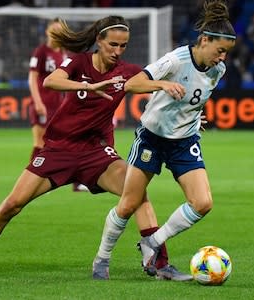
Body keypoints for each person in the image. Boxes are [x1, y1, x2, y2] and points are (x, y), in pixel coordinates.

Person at [0, 15, 190, 281]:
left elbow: (144, 85)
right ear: (98, 41)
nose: (117, 51)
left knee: (137, 193)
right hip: (58, 150)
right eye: (112, 44)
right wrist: (87, 86)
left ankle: (160, 265)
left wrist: (173, 96)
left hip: (96, 153)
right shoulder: (79, 62)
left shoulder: (126, 72)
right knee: (11, 205)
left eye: (123, 46)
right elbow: (51, 81)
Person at [92, 0, 236, 280]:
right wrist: (162, 83)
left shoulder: (218, 71)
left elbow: (194, 98)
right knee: (128, 204)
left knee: (203, 203)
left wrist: (195, 117)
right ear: (204, 40)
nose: (222, 58)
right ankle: (101, 259)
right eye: (220, 51)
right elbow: (132, 84)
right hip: (152, 139)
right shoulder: (176, 60)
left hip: (184, 141)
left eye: (226, 53)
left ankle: (152, 242)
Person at [27, 18, 87, 192]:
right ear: (47, 32)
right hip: (43, 104)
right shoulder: (41, 52)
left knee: (70, 141)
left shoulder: (64, 53)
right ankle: (31, 179)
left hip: (59, 106)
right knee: (40, 141)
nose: (57, 34)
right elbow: (32, 78)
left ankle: (76, 181)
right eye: (54, 31)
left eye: (60, 31)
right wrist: (37, 102)